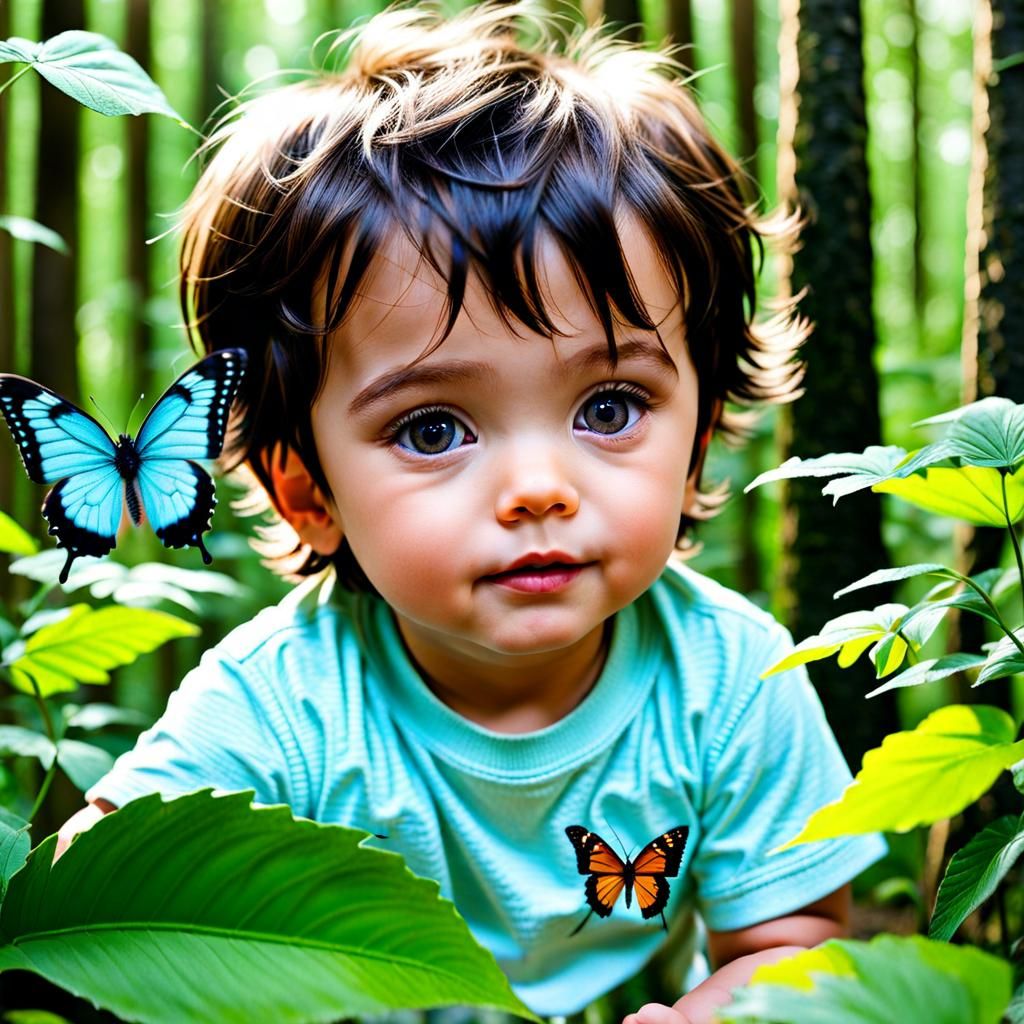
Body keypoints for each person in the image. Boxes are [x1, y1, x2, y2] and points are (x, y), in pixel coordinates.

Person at [56, 3, 886, 1020]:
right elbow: (90, 900)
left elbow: (793, 940)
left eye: (609, 407)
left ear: (700, 432)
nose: (537, 488)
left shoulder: (728, 681)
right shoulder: (282, 706)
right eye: (433, 427)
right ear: (308, 491)